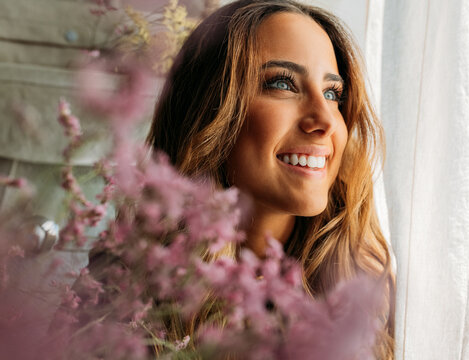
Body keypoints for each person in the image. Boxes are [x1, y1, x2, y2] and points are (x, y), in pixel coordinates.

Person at [147, 0, 395, 358]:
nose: (324, 120)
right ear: (209, 111)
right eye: (282, 83)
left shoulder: (366, 293)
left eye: (332, 93)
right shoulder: (127, 288)